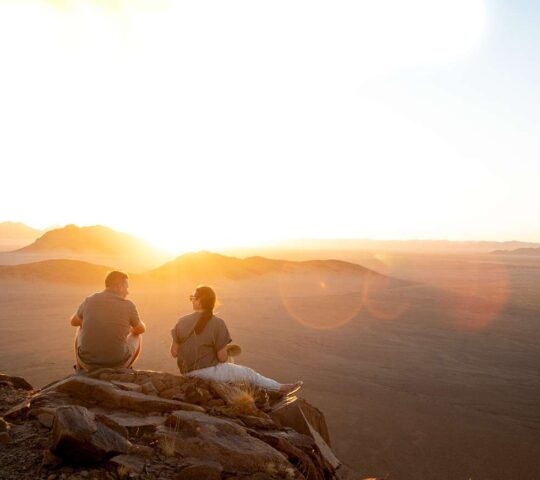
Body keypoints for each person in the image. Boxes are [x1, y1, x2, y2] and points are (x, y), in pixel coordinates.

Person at [170, 285, 302, 394]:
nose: (191, 300)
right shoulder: (218, 323)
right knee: (248, 374)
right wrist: (224, 350)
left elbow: (174, 353)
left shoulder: (181, 321)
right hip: (207, 373)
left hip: (186, 373)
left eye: (192, 298)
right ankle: (279, 388)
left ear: (200, 300)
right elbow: (222, 358)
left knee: (232, 373)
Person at [70, 271, 146, 371]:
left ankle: (80, 367)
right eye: (127, 287)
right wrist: (127, 327)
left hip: (88, 364)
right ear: (120, 286)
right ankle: (126, 368)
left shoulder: (90, 300)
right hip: (116, 365)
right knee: (137, 336)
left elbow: (74, 321)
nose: (128, 292)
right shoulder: (128, 305)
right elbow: (140, 329)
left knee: (81, 326)